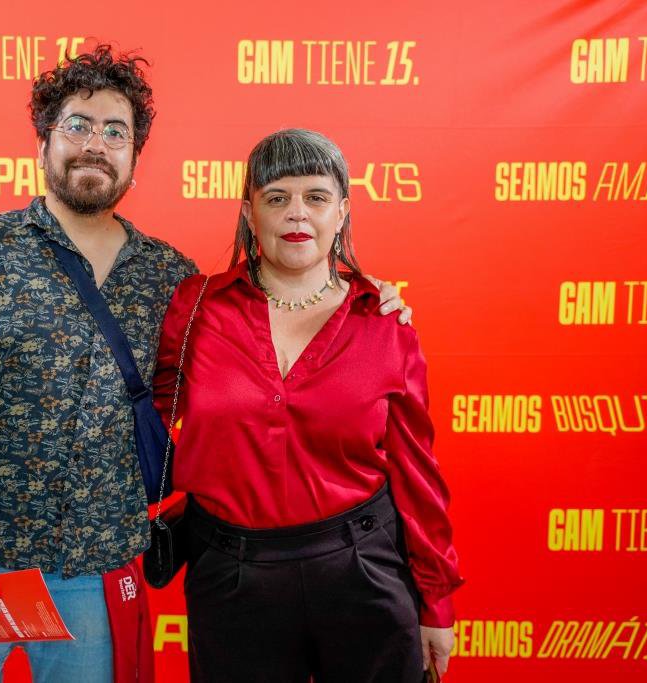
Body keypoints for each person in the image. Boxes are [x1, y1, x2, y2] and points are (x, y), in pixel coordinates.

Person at [0, 45, 410, 682]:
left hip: (96, 572)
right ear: (43, 144)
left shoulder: (171, 279)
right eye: (77, 125)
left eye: (116, 132)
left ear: (134, 158)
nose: (95, 144)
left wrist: (362, 300)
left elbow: (270, 330)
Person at [154, 129, 463, 683]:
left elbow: (418, 475)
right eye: (277, 197)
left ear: (341, 212)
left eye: (316, 197)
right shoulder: (195, 307)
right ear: (249, 213)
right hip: (230, 576)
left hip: (362, 568)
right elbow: (147, 422)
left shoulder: (385, 323)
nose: (297, 212)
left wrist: (435, 601)